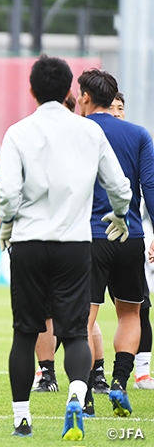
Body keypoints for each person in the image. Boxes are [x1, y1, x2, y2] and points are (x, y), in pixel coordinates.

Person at [0, 55, 131, 440]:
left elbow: (7, 194)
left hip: (29, 242)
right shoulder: (89, 131)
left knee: (25, 333)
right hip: (74, 243)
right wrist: (120, 215)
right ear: (72, 91)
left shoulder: (19, 132)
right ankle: (76, 393)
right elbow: (118, 186)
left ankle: (22, 417)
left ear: (32, 90)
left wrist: (6, 223)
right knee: (74, 332)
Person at [78, 70, 154, 417]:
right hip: (130, 236)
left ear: (87, 97)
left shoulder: (78, 131)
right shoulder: (139, 134)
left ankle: (88, 391)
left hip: (91, 236)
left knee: (84, 318)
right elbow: (149, 188)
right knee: (130, 312)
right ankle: (121, 383)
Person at [32, 93, 111, 397]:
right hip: (76, 239)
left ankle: (64, 377)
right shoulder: (85, 137)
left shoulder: (40, 138)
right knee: (79, 313)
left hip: (55, 237)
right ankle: (88, 377)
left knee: (63, 315)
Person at [108, 91, 154, 390]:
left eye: (120, 107)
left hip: (126, 234)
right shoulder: (89, 136)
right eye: (110, 107)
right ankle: (52, 373)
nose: (116, 112)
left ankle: (141, 372)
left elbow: (148, 185)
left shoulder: (135, 139)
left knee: (140, 307)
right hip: (103, 236)